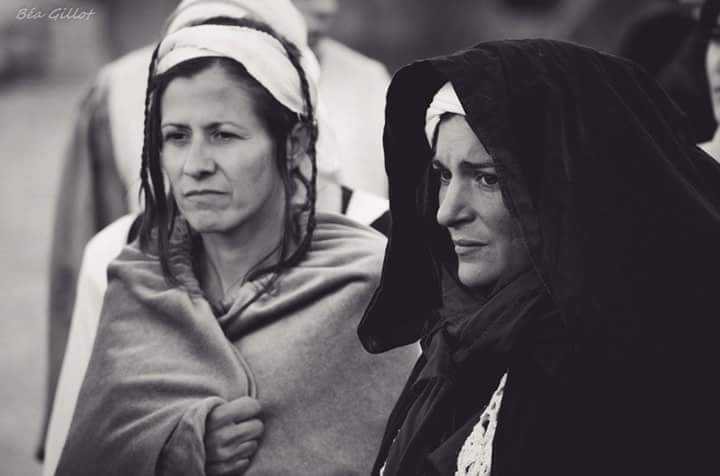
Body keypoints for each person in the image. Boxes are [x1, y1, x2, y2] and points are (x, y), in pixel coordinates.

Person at [51, 16, 416, 476]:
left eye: (223, 135)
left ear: (295, 143)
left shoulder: (368, 283)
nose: (195, 165)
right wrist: (177, 448)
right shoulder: (137, 283)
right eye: (176, 136)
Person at [357, 39, 720, 475]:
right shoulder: (458, 342)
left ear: (566, 192)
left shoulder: (600, 378)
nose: (447, 212)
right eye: (443, 175)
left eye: (488, 178)